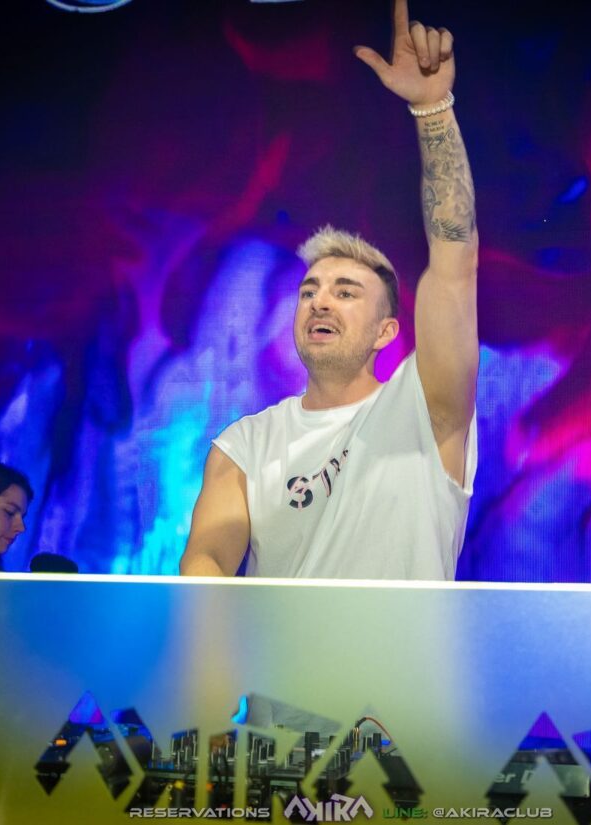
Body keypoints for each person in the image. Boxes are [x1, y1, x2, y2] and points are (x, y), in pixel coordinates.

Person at [179, 0, 478, 579]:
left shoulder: (426, 410)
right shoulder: (246, 443)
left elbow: (455, 257)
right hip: (280, 647)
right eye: (310, 290)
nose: (319, 299)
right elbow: (208, 558)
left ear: (386, 332)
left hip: (406, 647)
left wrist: (432, 109)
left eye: (346, 292)